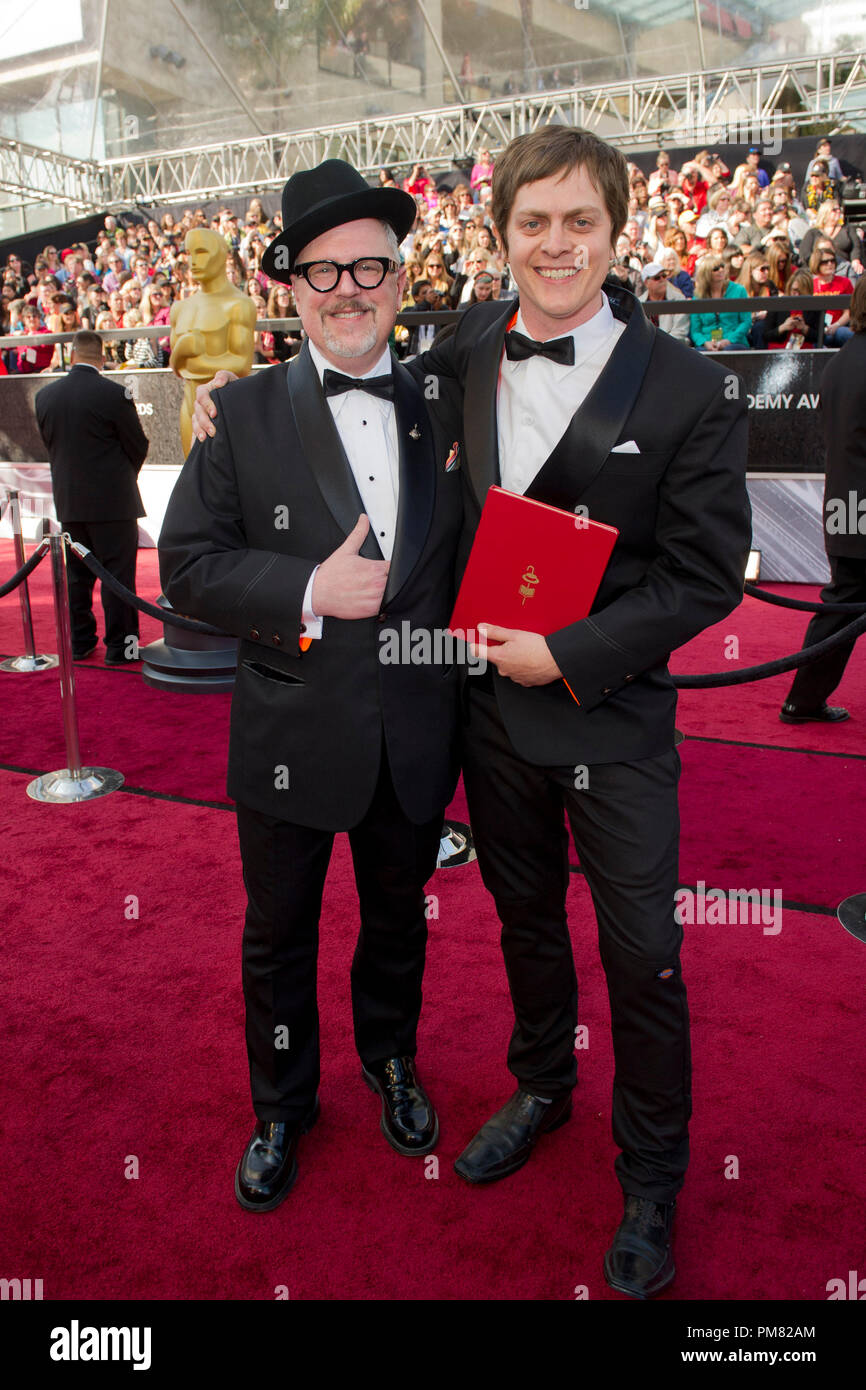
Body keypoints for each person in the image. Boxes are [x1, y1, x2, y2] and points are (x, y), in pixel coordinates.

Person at [191, 128, 751, 1300]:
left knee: (641, 954)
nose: (555, 244)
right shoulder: (435, 363)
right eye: (532, 223)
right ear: (498, 240)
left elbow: (704, 577)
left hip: (583, 720)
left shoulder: (673, 386)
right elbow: (201, 550)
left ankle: (645, 1178)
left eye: (577, 222)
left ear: (612, 230)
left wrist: (571, 652)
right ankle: (501, 1088)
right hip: (440, 727)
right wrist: (273, 533)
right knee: (508, 924)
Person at [159, 160, 464, 1214]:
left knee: (398, 920)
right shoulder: (237, 416)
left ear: (397, 275)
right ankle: (282, 1104)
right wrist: (305, 585)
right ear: (291, 286)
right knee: (277, 935)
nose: (348, 289)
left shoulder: (443, 396)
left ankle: (391, 1060)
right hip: (288, 733)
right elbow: (188, 566)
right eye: (324, 270)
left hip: (418, 732)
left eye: (369, 265)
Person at [780, 275, 866, 723]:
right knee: (842, 607)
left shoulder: (840, 362)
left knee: (841, 606)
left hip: (844, 502)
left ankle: (803, 699)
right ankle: (802, 700)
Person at [34, 330, 148, 663]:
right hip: (114, 503)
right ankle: (121, 649)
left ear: (71, 355)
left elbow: (52, 445)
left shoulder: (45, 397)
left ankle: (80, 643)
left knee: (76, 577)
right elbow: (137, 444)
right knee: (117, 578)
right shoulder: (114, 394)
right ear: (101, 356)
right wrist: (121, 478)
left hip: (69, 502)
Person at [690, 254, 751, 350]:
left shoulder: (739, 291)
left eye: (722, 267)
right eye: (716, 269)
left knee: (728, 351)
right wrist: (705, 343)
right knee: (700, 355)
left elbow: (746, 322)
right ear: (706, 273)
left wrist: (729, 340)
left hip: (734, 342)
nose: (721, 270)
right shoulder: (698, 296)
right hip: (707, 342)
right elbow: (695, 331)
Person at [638, 261, 690, 343]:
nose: (662, 279)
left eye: (664, 276)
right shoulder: (639, 303)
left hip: (674, 347)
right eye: (657, 278)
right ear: (646, 283)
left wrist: (661, 345)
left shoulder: (679, 299)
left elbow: (680, 331)